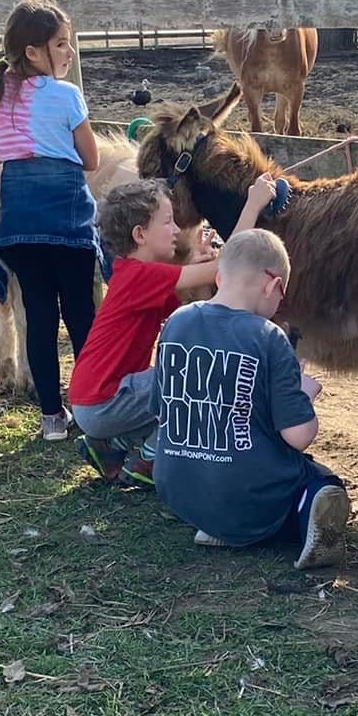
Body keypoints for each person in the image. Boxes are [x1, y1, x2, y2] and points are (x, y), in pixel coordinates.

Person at [151, 228, 350, 570]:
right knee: (321, 481)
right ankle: (300, 525)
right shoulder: (269, 336)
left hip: (178, 490)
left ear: (219, 276)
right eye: (282, 295)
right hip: (248, 492)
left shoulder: (176, 324)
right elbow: (299, 436)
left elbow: (160, 408)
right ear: (272, 286)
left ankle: (220, 527)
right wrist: (303, 393)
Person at [69, 174, 275, 487]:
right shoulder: (140, 275)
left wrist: (193, 263)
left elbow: (196, 304)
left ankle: (109, 446)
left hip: (97, 399)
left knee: (182, 378)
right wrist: (253, 204)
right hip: (106, 399)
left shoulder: (134, 274)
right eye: (168, 222)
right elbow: (228, 267)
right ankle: (149, 458)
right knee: (195, 379)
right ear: (140, 234)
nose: (178, 230)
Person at [0, 0, 100, 441]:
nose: (69, 53)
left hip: (20, 222)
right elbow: (90, 158)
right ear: (33, 52)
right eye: (62, 44)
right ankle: (87, 407)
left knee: (38, 316)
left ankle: (51, 418)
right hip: (68, 220)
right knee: (81, 314)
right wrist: (48, 149)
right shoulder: (66, 95)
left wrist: (18, 153)